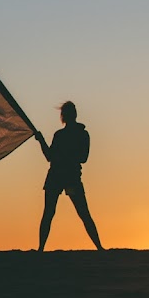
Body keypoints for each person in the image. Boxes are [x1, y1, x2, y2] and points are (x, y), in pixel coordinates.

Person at [34, 101, 104, 251]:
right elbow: (50, 156)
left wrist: (63, 155)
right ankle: (40, 248)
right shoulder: (62, 135)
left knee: (81, 212)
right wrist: (41, 141)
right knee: (50, 212)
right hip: (59, 176)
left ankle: (99, 247)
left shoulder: (81, 134)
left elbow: (82, 158)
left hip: (68, 177)